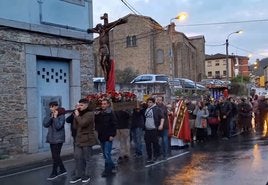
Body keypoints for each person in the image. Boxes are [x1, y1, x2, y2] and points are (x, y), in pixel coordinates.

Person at [87, 13, 126, 81]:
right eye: (98, 28)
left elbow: (112, 26)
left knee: (105, 59)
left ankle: (107, 72)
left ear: (102, 28)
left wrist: (118, 21)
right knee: (101, 62)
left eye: (100, 28)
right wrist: (90, 30)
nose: (99, 29)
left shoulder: (106, 31)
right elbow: (93, 30)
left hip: (105, 47)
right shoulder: (99, 32)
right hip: (101, 47)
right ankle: (105, 72)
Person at [69, 98, 97, 184]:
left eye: (81, 105)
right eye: (79, 105)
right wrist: (75, 115)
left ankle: (86, 175)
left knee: (87, 158)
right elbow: (75, 126)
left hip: (87, 139)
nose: (79, 107)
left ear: (86, 105)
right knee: (78, 157)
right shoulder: (79, 113)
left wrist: (77, 116)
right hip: (79, 139)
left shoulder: (90, 114)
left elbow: (83, 123)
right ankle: (78, 175)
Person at [43, 101, 67, 180]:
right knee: (55, 156)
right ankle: (62, 169)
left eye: (52, 106)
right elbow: (45, 124)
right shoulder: (50, 114)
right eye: (50, 107)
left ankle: (54, 172)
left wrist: (56, 117)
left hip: (59, 138)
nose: (51, 108)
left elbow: (58, 126)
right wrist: (51, 117)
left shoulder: (62, 115)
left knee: (55, 156)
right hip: (51, 138)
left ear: (56, 106)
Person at [95, 99, 117, 177]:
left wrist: (112, 135)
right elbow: (96, 123)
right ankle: (112, 166)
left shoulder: (111, 113)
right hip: (101, 136)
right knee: (104, 154)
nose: (103, 105)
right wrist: (96, 114)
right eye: (102, 104)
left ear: (108, 105)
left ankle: (107, 170)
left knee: (107, 153)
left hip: (108, 136)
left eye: (104, 104)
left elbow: (114, 125)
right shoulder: (99, 113)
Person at [144, 97, 164, 163]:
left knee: (155, 144)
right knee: (148, 144)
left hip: (154, 129)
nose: (148, 104)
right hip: (147, 129)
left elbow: (162, 118)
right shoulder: (146, 109)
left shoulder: (157, 109)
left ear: (153, 103)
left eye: (150, 102)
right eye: (148, 102)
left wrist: (161, 125)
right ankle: (149, 157)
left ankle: (156, 156)